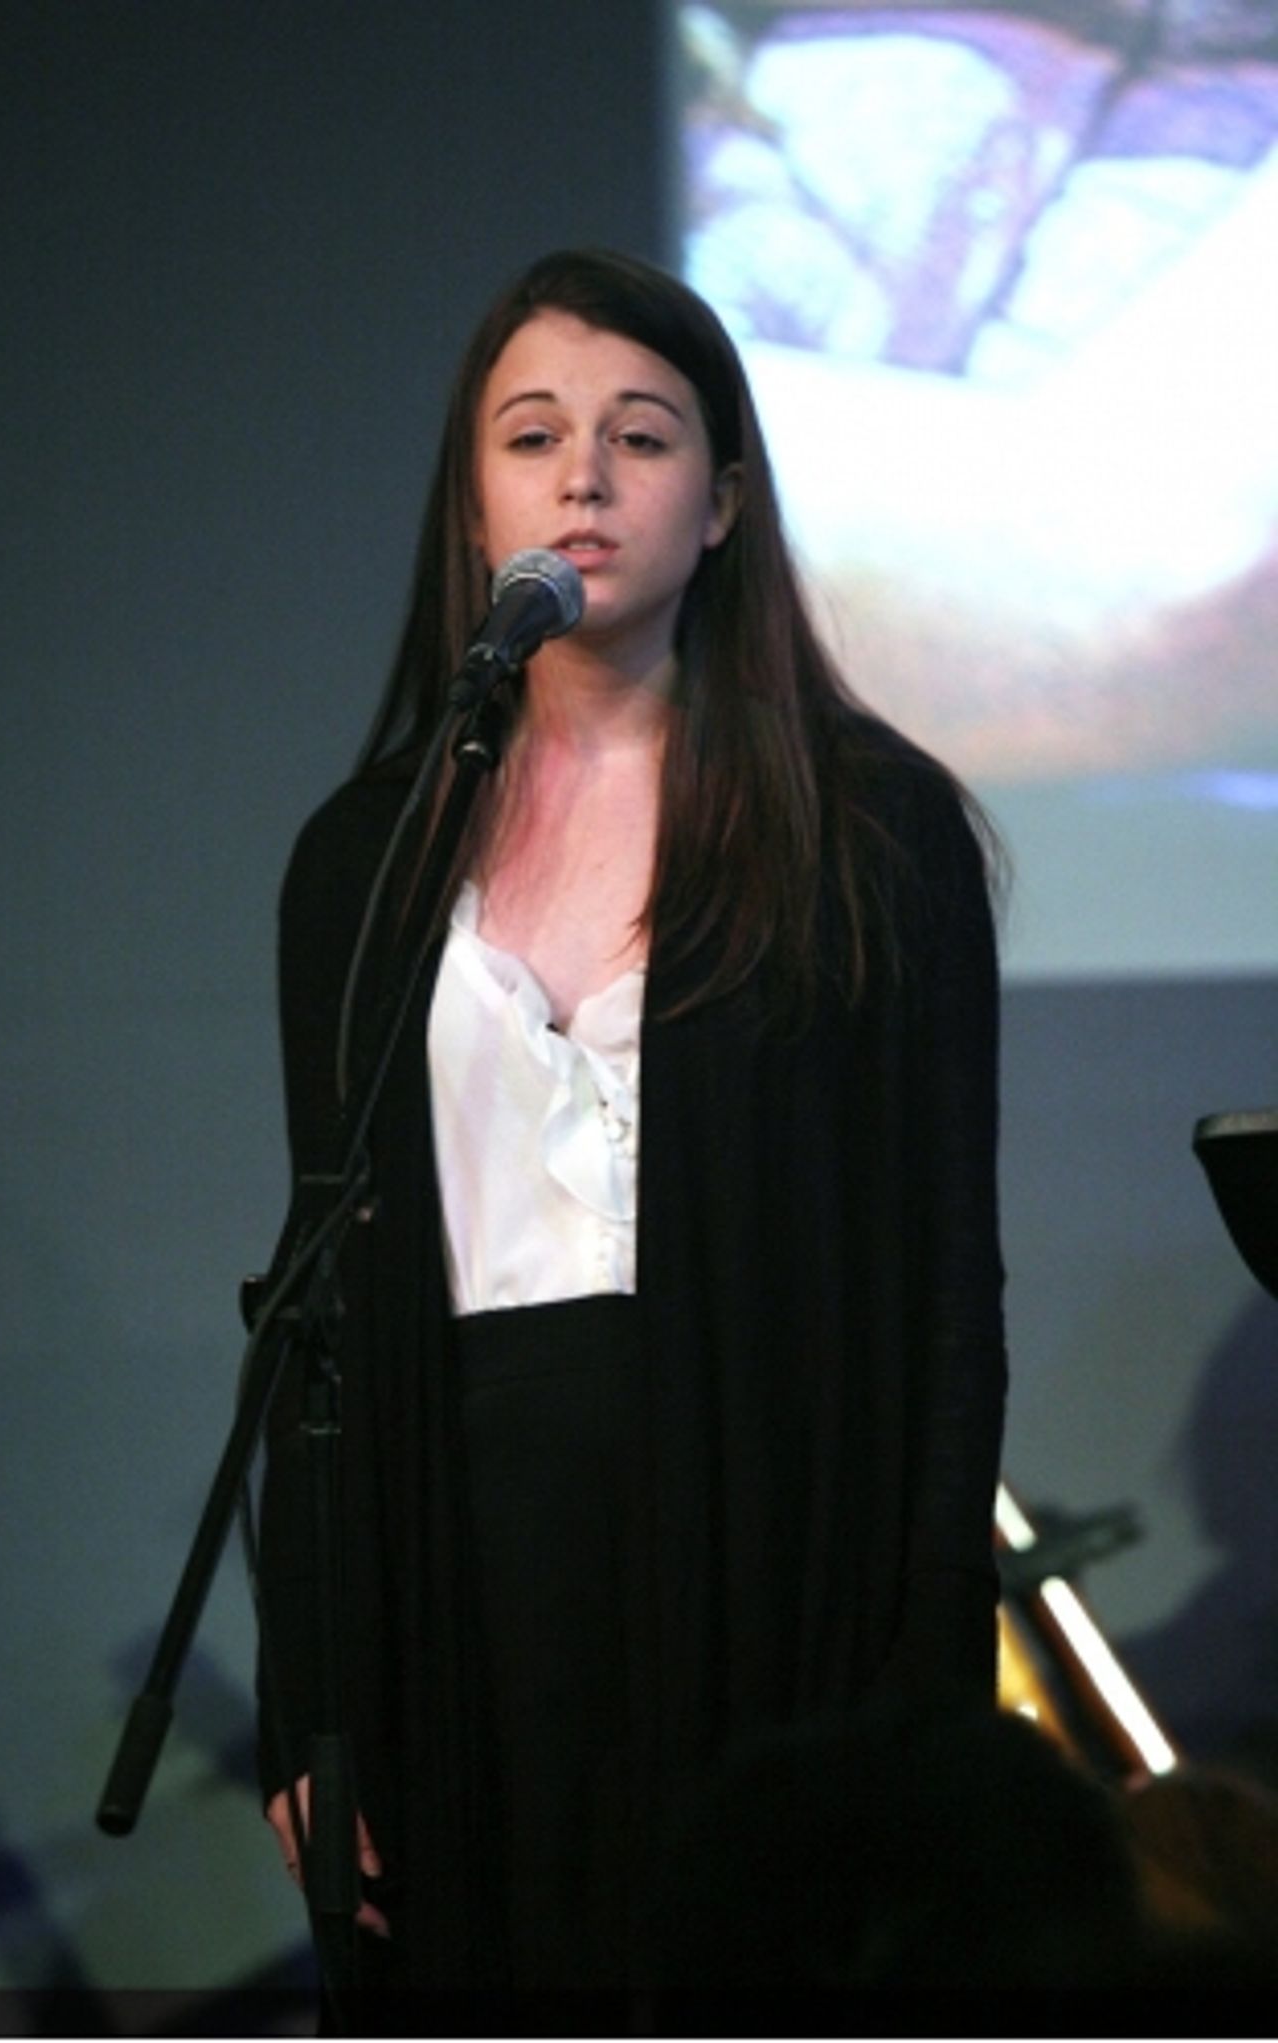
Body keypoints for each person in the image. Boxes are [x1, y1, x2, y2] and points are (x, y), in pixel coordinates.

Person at [253, 246, 1008, 1995]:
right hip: (464, 1560)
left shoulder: (874, 833)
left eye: (641, 436)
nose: (582, 476)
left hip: (764, 1543)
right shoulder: (360, 863)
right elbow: (317, 1307)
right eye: (532, 436)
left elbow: (944, 1303)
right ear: (474, 503)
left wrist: (920, 1704)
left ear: (726, 500)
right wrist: (313, 1695)